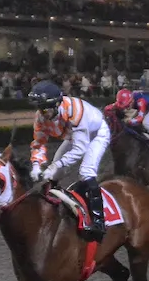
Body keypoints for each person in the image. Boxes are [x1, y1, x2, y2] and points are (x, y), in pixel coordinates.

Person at [28, 81, 110, 240]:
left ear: (57, 104)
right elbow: (38, 143)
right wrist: (36, 166)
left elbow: (79, 149)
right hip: (75, 134)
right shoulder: (41, 116)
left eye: (45, 108)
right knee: (54, 173)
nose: (41, 113)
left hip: (97, 133)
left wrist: (54, 165)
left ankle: (99, 221)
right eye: (39, 108)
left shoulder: (75, 111)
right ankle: (51, 205)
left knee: (86, 171)